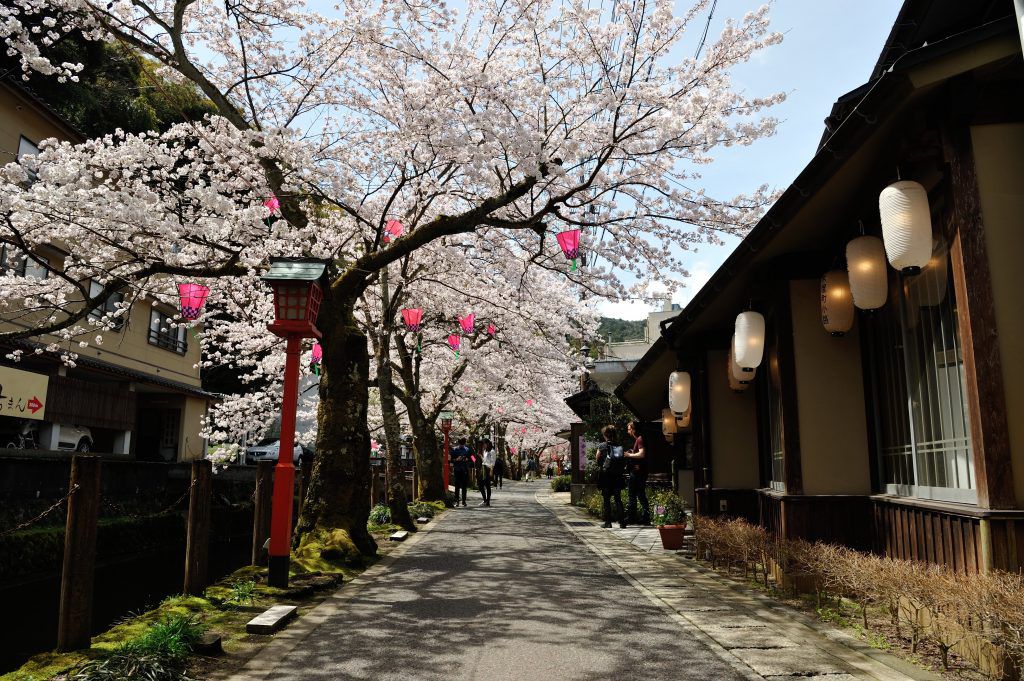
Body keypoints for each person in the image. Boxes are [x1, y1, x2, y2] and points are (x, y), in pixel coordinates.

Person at [596, 425, 626, 529]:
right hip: (617, 475)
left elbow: (597, 458)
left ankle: (608, 522)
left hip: (606, 476)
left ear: (605, 435)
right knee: (618, 499)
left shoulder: (602, 446)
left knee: (607, 499)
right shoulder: (619, 445)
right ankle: (622, 522)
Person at [625, 421, 650, 525]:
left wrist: (629, 455)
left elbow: (642, 454)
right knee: (640, 494)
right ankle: (645, 517)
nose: (628, 431)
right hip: (639, 472)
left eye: (629, 429)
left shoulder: (639, 439)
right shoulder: (639, 439)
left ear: (634, 429)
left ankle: (632, 517)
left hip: (637, 472)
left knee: (633, 494)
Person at [451, 437, 472, 507]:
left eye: (463, 444)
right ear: (458, 443)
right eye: (460, 444)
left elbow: (473, 459)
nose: (462, 445)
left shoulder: (468, 449)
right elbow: (450, 460)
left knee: (464, 486)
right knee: (457, 486)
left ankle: (463, 501)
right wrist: (456, 459)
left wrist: (467, 459)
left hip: (465, 469)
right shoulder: (454, 449)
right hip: (457, 469)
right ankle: (457, 501)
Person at [478, 439, 496, 506]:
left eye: (484, 444)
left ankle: (487, 502)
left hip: (488, 469)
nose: (483, 446)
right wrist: (481, 457)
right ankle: (485, 500)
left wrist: (491, 471)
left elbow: (492, 462)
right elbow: (485, 460)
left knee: (487, 485)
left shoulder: (492, 451)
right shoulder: (485, 451)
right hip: (483, 468)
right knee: (480, 485)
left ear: (487, 443)